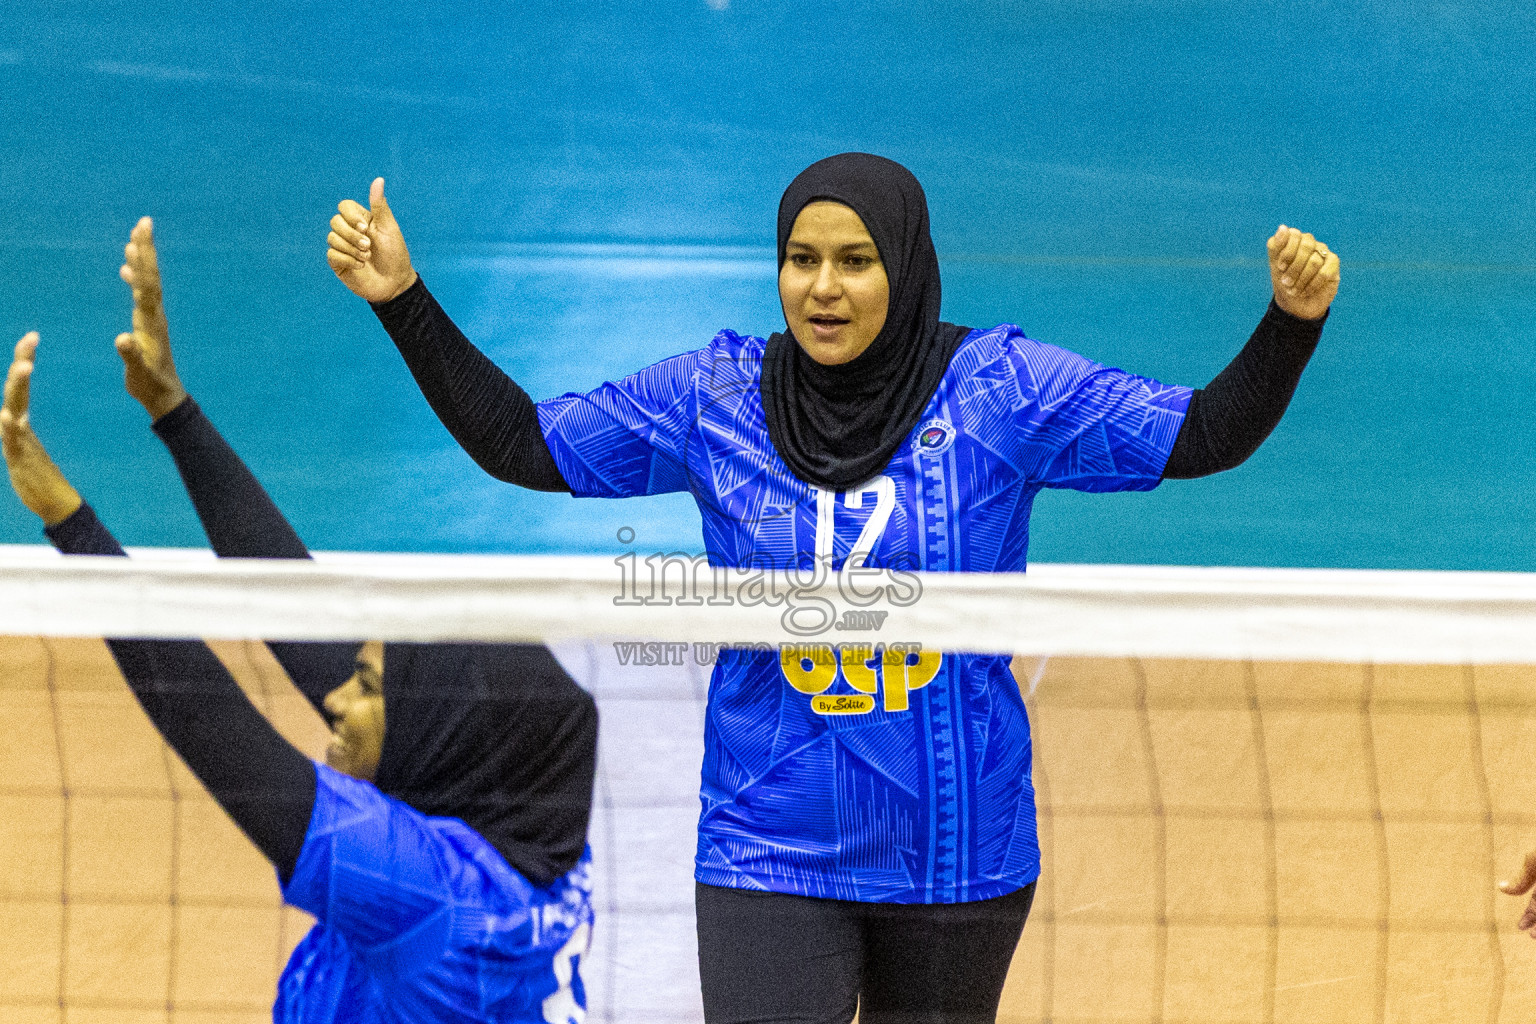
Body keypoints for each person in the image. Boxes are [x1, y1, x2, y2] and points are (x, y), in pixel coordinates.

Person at [325, 154, 1340, 1024]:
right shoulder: (710, 399)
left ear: (903, 266)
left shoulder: (1004, 392)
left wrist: (1291, 323)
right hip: (767, 843)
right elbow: (527, 445)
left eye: (855, 262)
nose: (823, 288)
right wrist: (405, 302)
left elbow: (1201, 433)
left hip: (956, 853)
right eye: (801, 259)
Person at [1, 219, 600, 1024]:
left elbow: (208, 722)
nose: (335, 699)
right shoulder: (525, 832)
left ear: (438, 743)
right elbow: (303, 619)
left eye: (364, 685)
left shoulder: (422, 895)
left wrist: (68, 521)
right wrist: (172, 411)